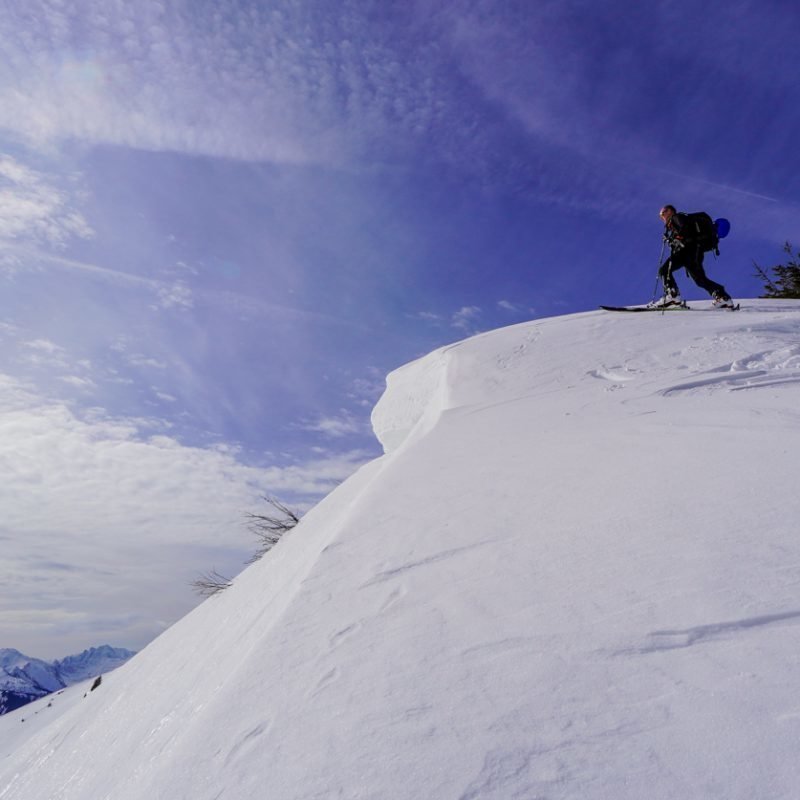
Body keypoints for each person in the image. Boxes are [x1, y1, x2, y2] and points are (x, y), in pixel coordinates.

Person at [651, 205, 733, 308]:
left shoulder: (676, 217)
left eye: (664, 212)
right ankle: (722, 297)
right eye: (660, 215)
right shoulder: (675, 224)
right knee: (700, 280)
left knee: (664, 270)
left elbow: (685, 229)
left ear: (671, 211)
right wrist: (672, 240)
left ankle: (672, 296)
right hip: (696, 253)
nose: (662, 215)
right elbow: (684, 234)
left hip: (687, 251)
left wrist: (674, 239)